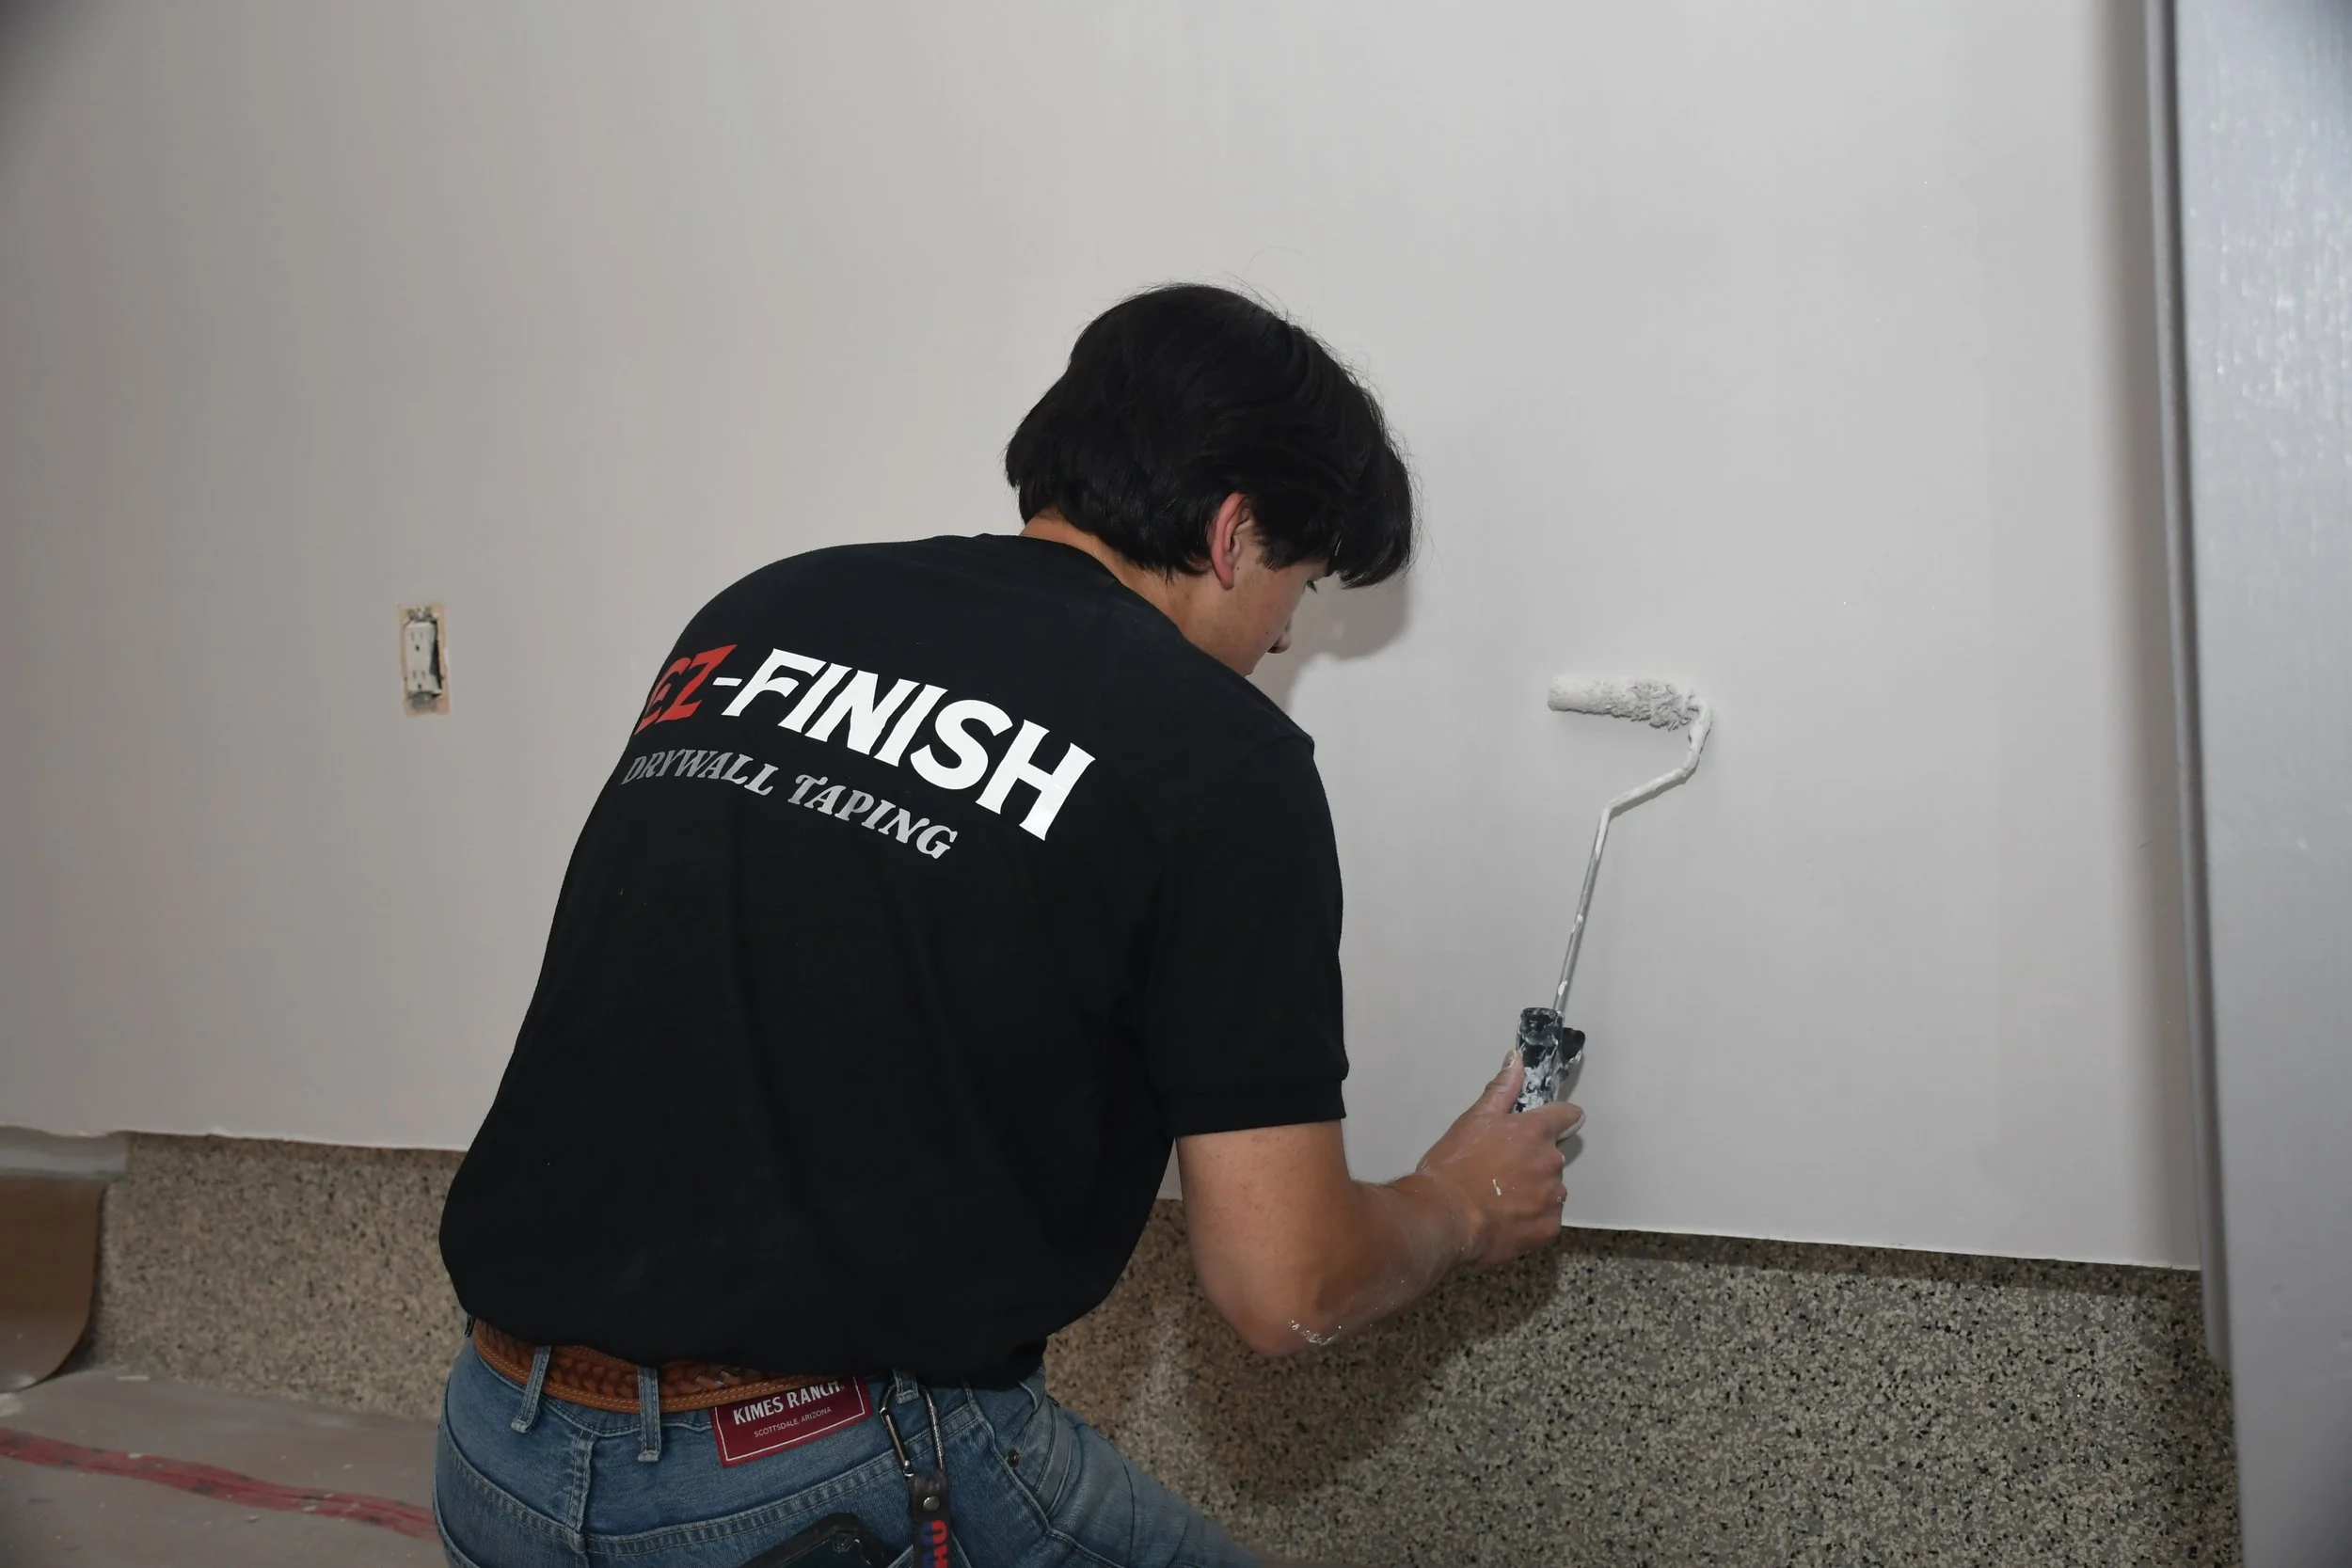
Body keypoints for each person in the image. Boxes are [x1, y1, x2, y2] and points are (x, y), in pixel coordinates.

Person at [434, 283, 1584, 1568]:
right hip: (811, 1488)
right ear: (1233, 530)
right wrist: (1461, 1203)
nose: (1277, 641)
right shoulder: (1217, 754)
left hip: (495, 1451)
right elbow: (1286, 1285)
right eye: (1299, 588)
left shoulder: (762, 614)